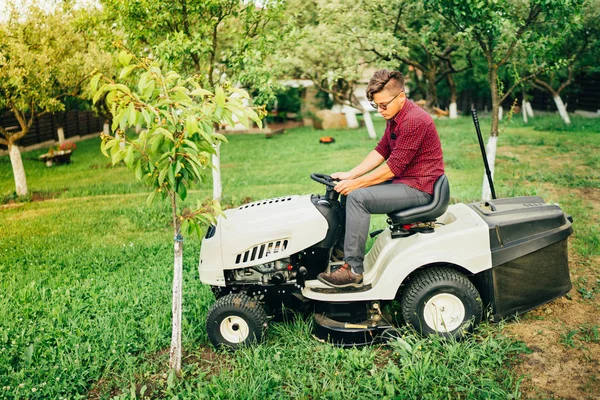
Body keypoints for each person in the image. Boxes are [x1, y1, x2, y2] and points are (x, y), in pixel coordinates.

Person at [317, 69, 445, 289]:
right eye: (377, 106)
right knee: (348, 192)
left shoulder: (414, 120)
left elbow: (392, 168)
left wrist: (356, 184)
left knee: (358, 197)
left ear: (401, 97)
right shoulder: (395, 116)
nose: (380, 110)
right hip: (405, 181)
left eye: (384, 105)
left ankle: (353, 271)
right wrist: (350, 175)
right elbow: (381, 150)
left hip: (420, 188)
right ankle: (340, 256)